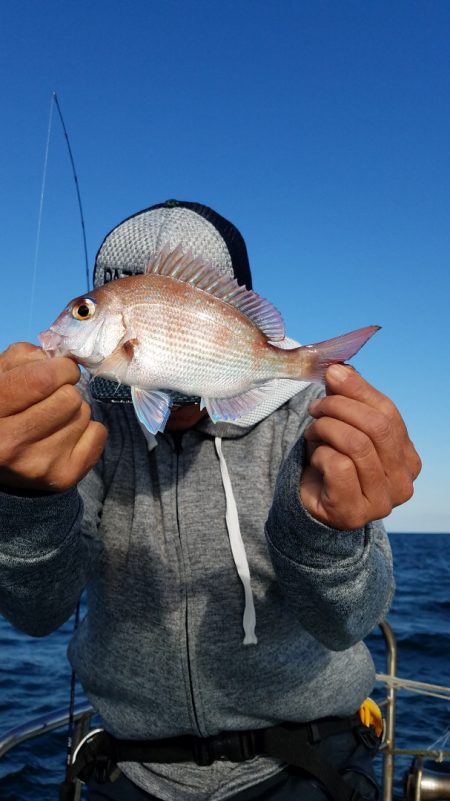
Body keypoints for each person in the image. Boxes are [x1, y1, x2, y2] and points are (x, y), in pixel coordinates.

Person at [0, 200, 421, 801]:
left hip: (310, 761)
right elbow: (36, 614)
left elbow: (350, 623)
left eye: (83, 312)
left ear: (238, 305)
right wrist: (22, 497)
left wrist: (325, 533)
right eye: (86, 307)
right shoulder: (78, 422)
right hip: (132, 773)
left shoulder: (309, 417)